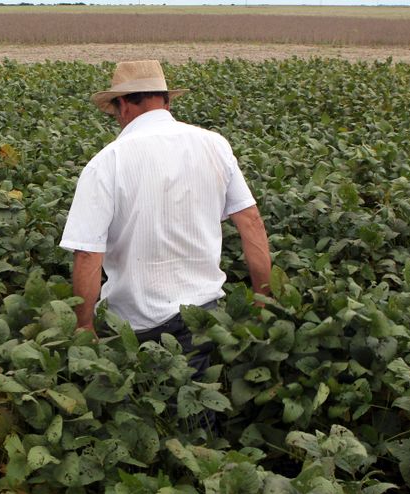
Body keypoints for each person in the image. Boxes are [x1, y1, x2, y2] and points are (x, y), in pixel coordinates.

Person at [60, 60, 271, 379]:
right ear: (167, 100)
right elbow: (251, 222)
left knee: (147, 413)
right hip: (205, 318)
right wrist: (262, 300)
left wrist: (85, 324)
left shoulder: (107, 162)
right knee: (198, 409)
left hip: (137, 325)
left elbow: (88, 254)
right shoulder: (215, 145)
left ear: (123, 105)